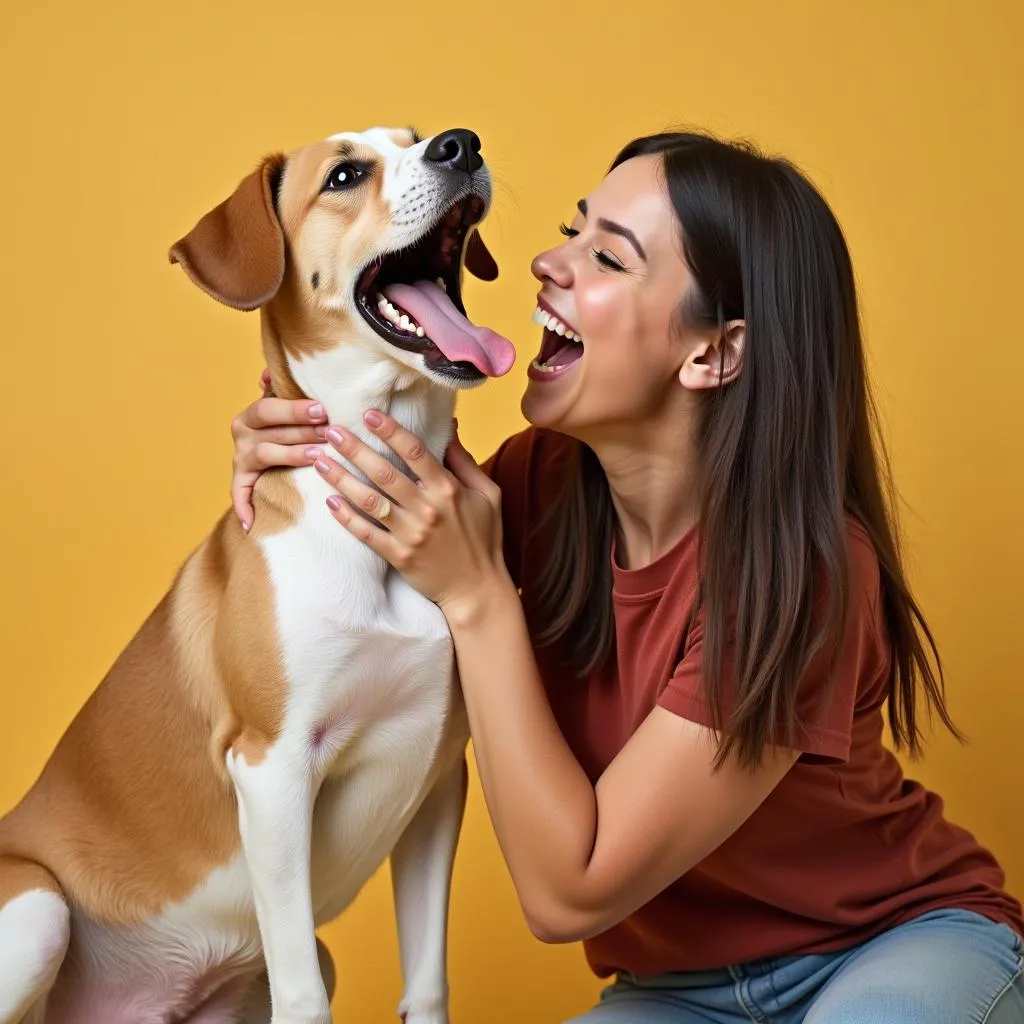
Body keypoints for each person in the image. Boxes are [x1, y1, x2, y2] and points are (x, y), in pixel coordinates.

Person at [227, 131, 1023, 1022]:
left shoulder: (810, 575)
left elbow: (570, 894)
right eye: (572, 230)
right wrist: (296, 441)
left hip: (888, 946)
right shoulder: (536, 484)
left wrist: (480, 598)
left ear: (714, 354)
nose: (544, 264)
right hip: (677, 996)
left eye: (605, 256)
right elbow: (339, 576)